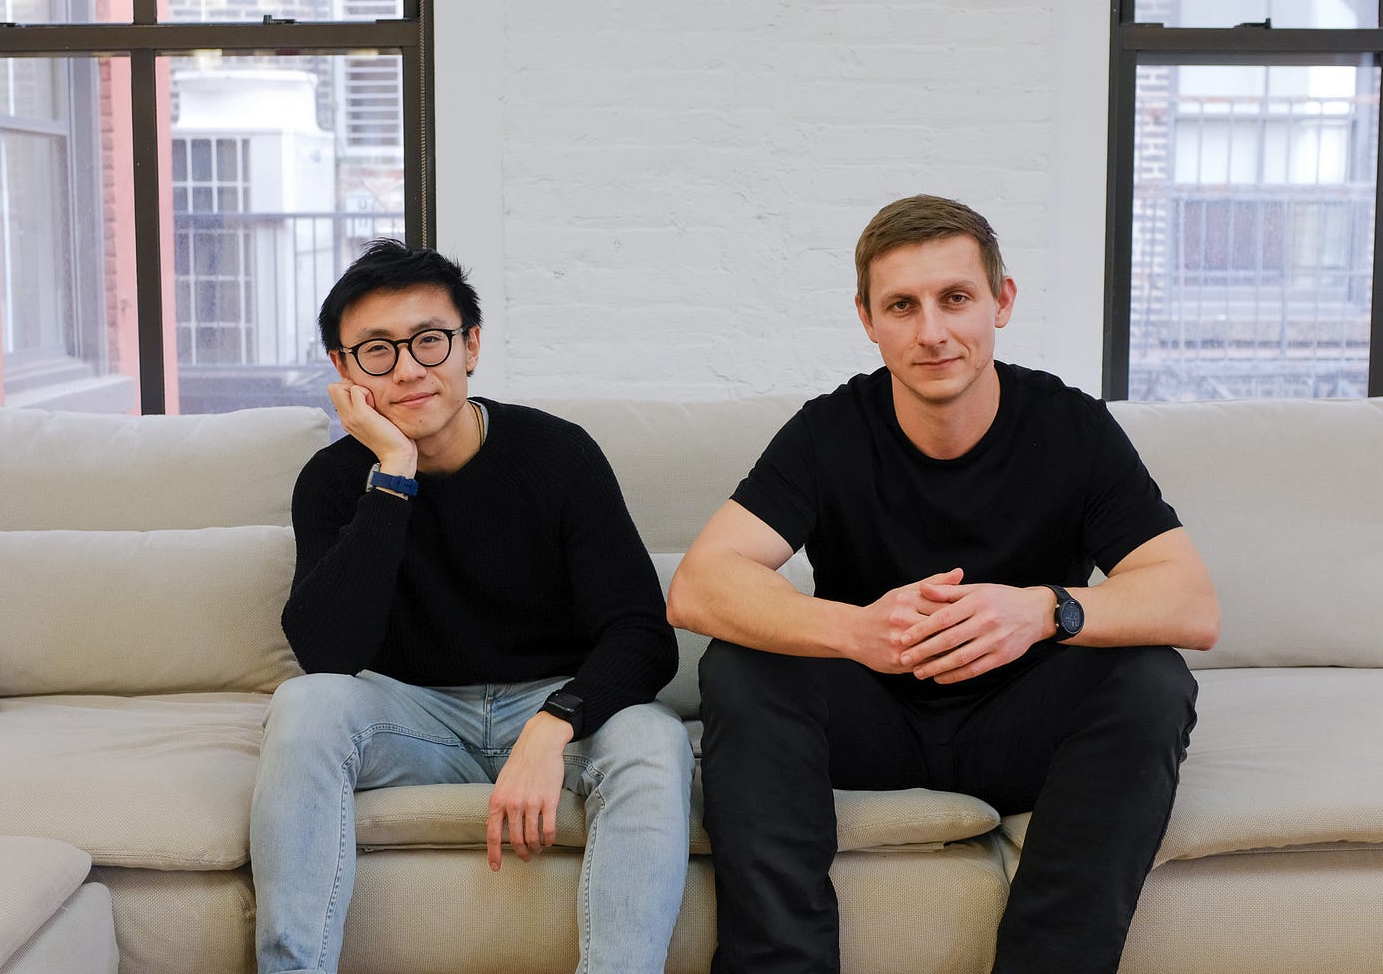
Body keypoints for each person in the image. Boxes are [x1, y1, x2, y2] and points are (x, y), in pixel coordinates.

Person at [667, 194, 1220, 974]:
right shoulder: (829, 431)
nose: (931, 331)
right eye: (903, 305)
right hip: (871, 721)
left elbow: (1191, 602)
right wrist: (856, 631)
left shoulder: (1071, 427)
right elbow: (699, 586)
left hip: (1022, 728)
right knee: (742, 666)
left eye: (955, 298)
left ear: (1002, 301)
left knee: (1152, 680)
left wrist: (1045, 611)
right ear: (867, 319)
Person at [251, 240, 694, 974]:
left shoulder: (558, 455)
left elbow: (644, 635)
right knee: (303, 706)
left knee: (654, 738)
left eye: (429, 340)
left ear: (472, 346)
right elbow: (328, 655)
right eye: (376, 351)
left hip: (554, 707)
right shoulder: (333, 480)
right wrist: (393, 473)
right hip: (412, 721)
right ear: (344, 369)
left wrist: (554, 723)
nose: (408, 369)